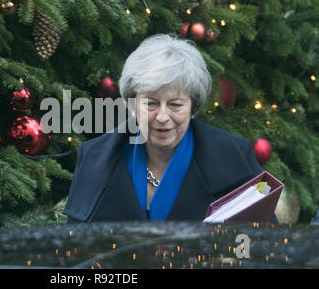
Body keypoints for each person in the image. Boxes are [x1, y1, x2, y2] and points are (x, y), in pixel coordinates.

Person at [63, 34, 265, 223]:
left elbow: (258, 244)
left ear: (193, 106)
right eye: (150, 104)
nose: (162, 117)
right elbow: (75, 248)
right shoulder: (93, 157)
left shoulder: (233, 155)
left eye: (175, 105)